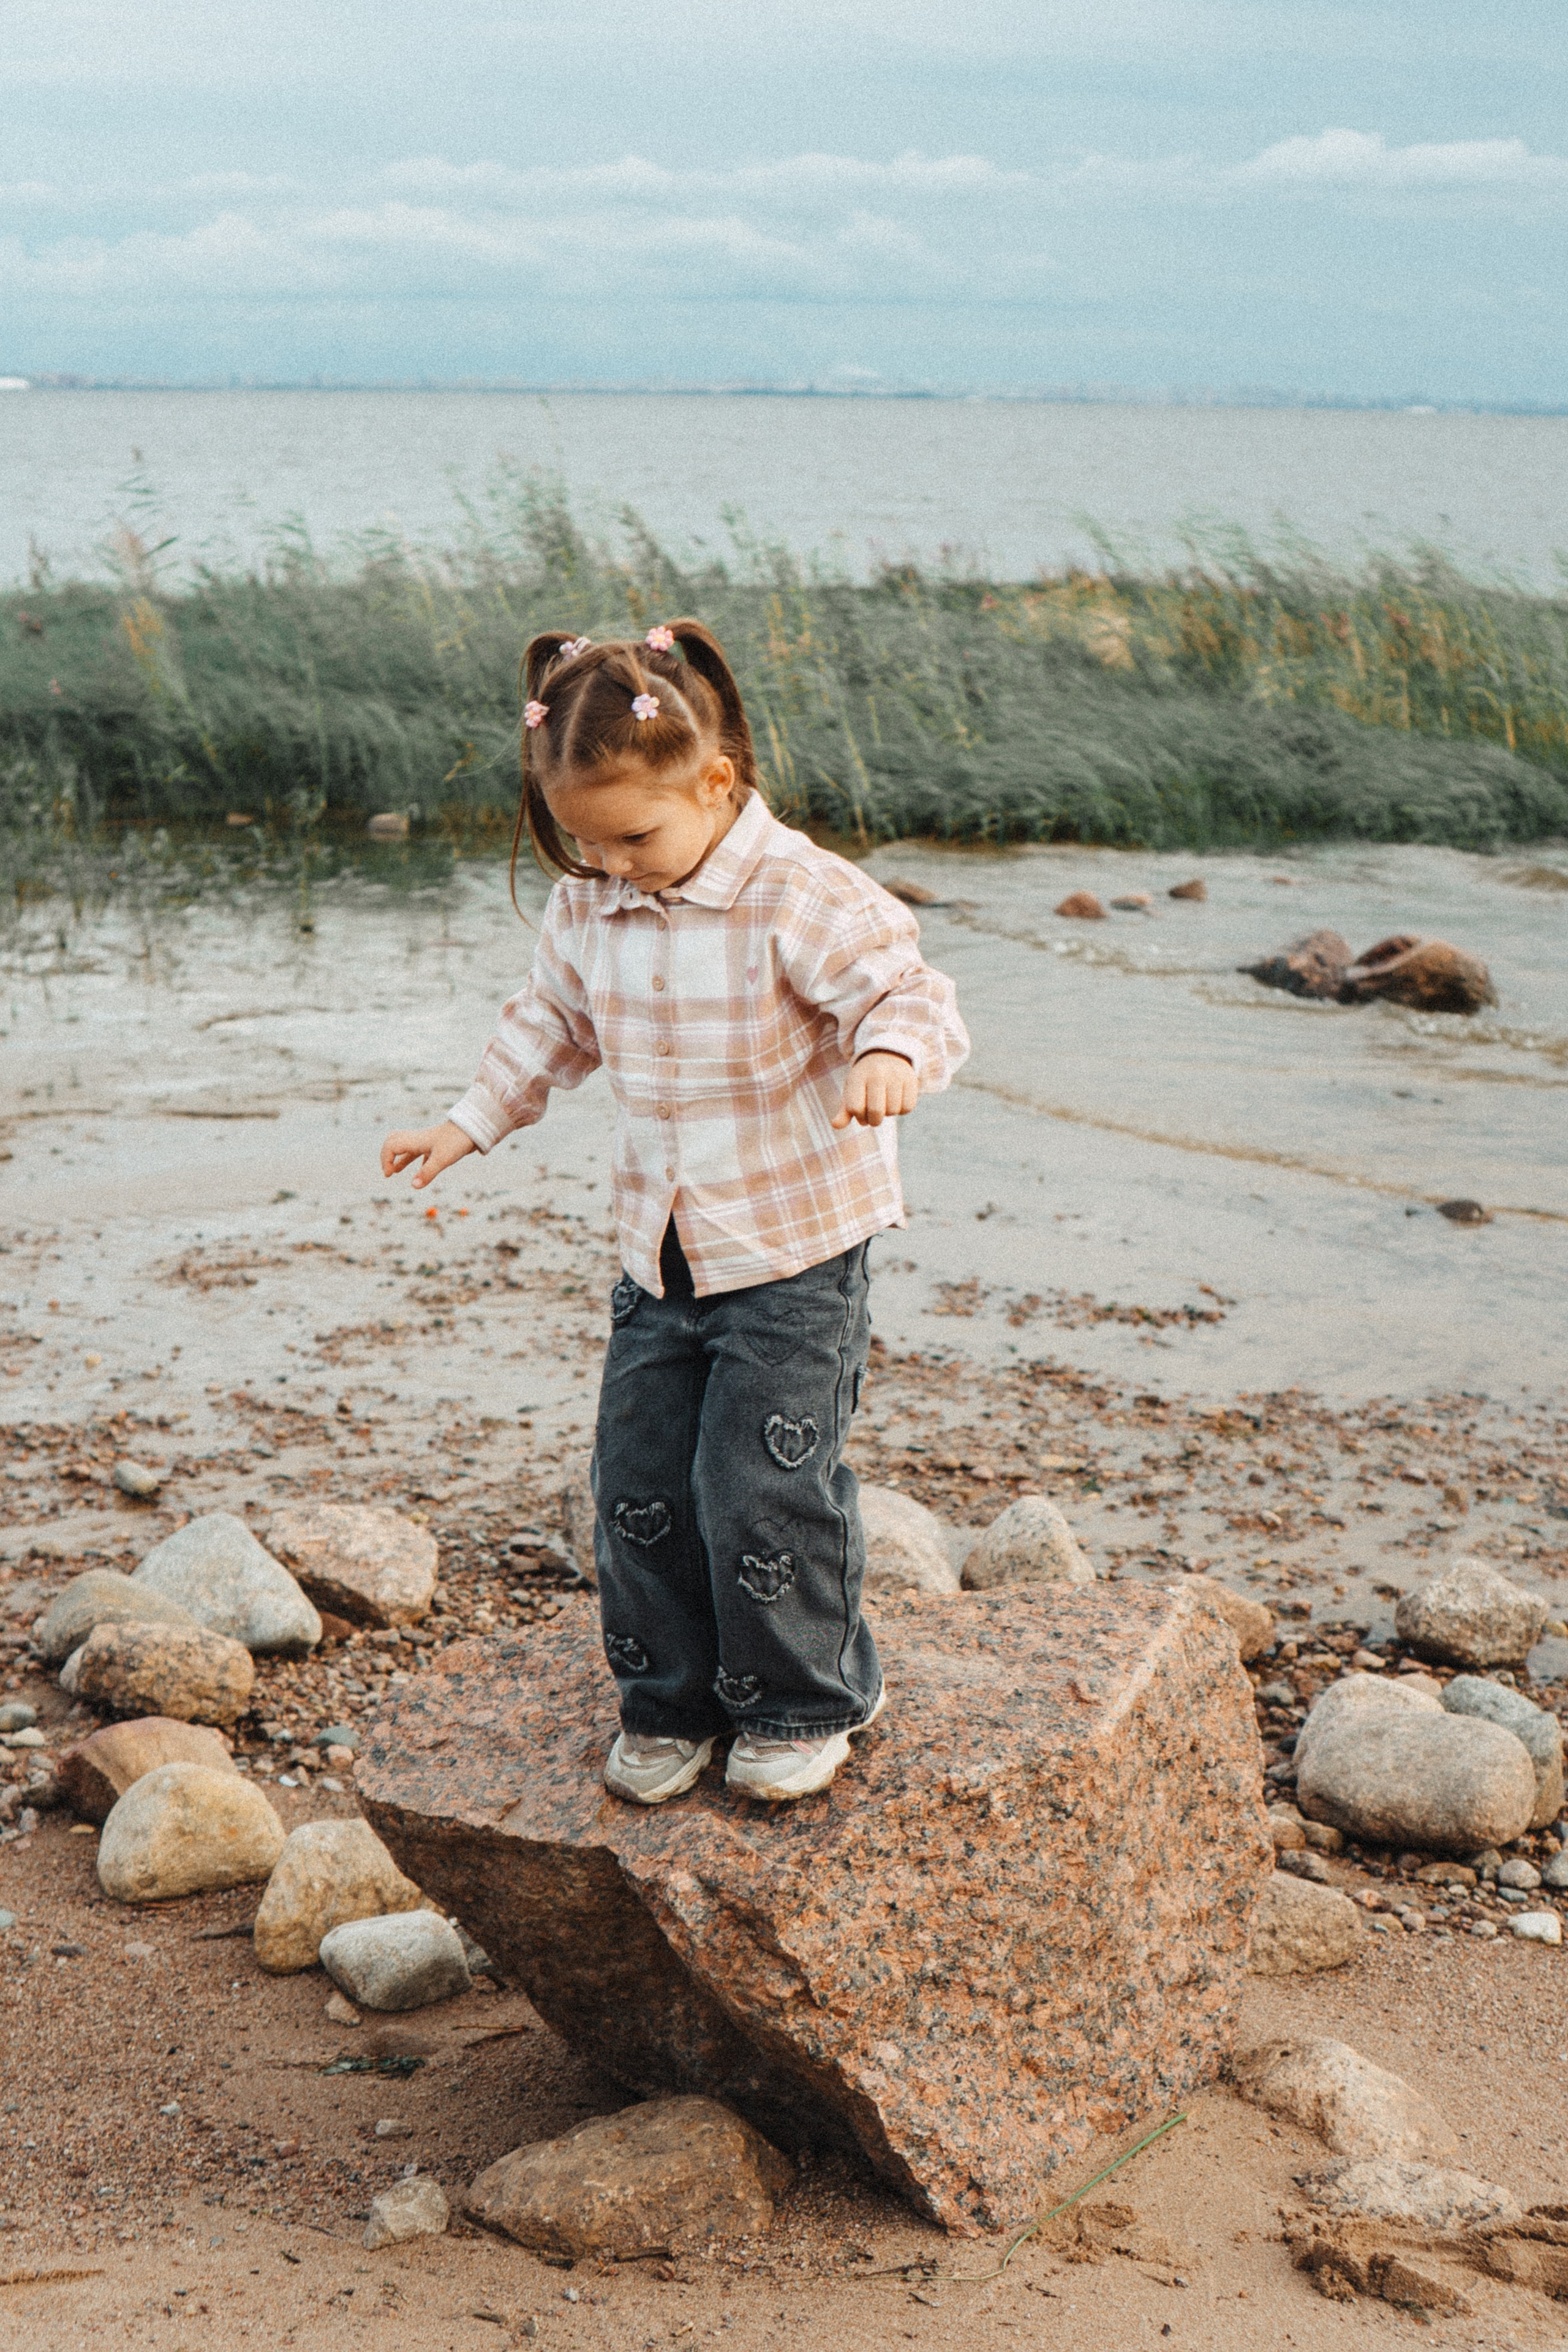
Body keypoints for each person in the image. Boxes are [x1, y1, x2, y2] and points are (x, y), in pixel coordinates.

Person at [380, 620, 968, 1803]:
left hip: (795, 1253)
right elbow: (548, 1025)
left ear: (717, 780)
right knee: (638, 1485)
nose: (613, 866)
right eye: (585, 844)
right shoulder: (592, 901)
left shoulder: (796, 893)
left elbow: (911, 990)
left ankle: (808, 1698)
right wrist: (468, 1121)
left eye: (635, 836)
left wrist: (891, 1055)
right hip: (660, 1257)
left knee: (759, 1486)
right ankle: (671, 1700)